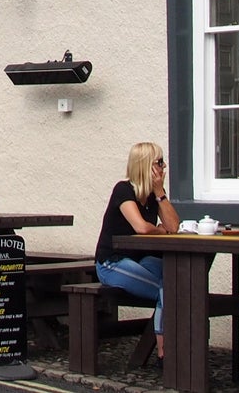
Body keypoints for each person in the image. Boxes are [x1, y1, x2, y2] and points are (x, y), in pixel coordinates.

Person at [94, 141, 182, 358]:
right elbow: (141, 227)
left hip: (140, 260)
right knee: (168, 290)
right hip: (112, 263)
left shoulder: (153, 196)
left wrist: (160, 193)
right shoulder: (123, 190)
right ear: (145, 166)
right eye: (159, 162)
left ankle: (184, 343)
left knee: (181, 276)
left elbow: (173, 227)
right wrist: (159, 231)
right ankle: (165, 352)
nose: (163, 167)